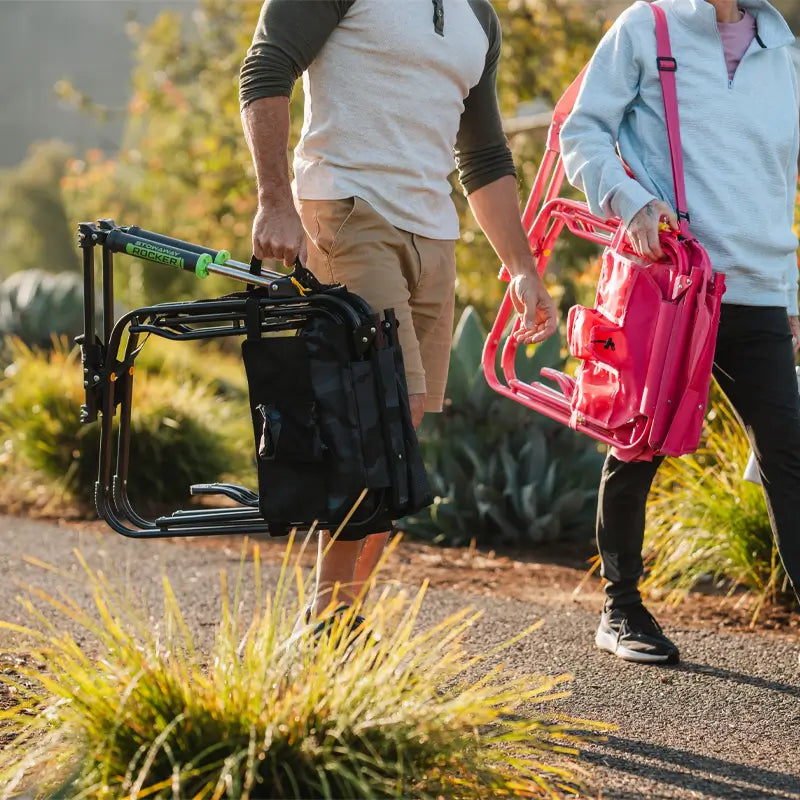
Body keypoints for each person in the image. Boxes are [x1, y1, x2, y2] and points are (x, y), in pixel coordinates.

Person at [239, 0, 557, 621]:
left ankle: (343, 623)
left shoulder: (478, 17)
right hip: (348, 210)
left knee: (400, 435)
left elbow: (485, 154)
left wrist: (521, 267)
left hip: (434, 234)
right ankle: (328, 624)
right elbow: (266, 67)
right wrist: (274, 201)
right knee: (384, 417)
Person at [561, 0, 800, 665]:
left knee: (789, 455)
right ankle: (621, 607)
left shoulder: (785, 57)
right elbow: (579, 132)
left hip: (755, 291)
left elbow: (783, 187)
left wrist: (791, 297)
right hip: (671, 285)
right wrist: (629, 202)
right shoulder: (648, 27)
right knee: (638, 446)